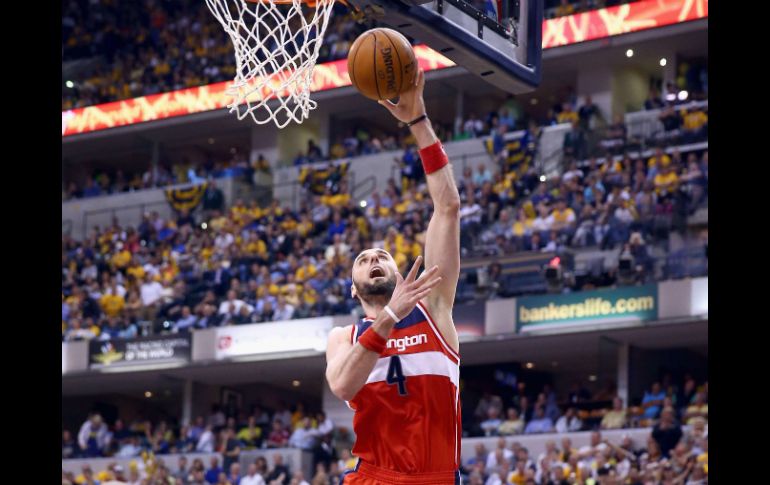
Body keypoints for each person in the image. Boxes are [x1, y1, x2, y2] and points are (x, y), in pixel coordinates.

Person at [325, 69, 463, 484]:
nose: (374, 259)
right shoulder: (343, 337)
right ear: (354, 287)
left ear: (398, 272)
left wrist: (418, 122)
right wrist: (388, 318)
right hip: (375, 477)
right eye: (364, 259)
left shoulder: (434, 306)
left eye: (382, 255)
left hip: (436, 476)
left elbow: (448, 208)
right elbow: (344, 387)